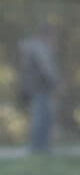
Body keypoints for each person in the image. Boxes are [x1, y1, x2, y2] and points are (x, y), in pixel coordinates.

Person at [16, 21, 61, 155]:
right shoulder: (39, 47)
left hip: (34, 87)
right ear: (47, 34)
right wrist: (56, 82)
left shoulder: (32, 47)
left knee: (42, 116)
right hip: (40, 88)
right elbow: (46, 68)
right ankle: (38, 147)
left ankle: (39, 147)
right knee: (42, 117)